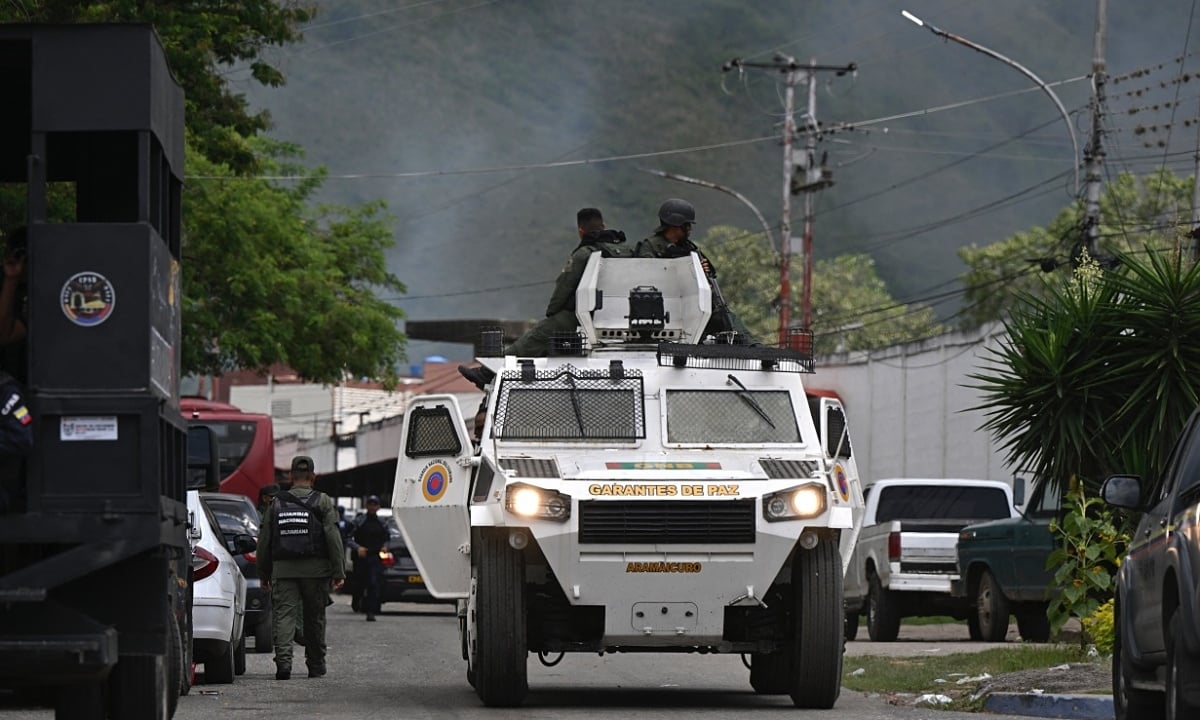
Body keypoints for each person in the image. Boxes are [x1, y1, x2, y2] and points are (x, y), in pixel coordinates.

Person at [459, 207, 631, 389]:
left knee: (537, 336)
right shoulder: (627, 250)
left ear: (581, 231)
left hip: (585, 316)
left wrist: (552, 314)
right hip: (624, 315)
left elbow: (564, 288)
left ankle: (486, 373)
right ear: (604, 226)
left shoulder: (584, 254)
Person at [256, 456, 345, 680]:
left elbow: (264, 541)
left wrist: (264, 573)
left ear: (290, 477)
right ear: (313, 477)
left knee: (284, 616)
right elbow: (333, 537)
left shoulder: (275, 503)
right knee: (314, 617)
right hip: (316, 572)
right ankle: (316, 665)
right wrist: (338, 571)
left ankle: (284, 665)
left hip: (284, 571)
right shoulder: (322, 501)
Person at [635, 199, 757, 344]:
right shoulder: (650, 247)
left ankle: (754, 346)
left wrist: (702, 269)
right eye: (687, 225)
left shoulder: (689, 247)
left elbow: (709, 273)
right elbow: (645, 277)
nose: (690, 229)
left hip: (694, 305)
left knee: (727, 319)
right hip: (663, 307)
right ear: (676, 225)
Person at [346, 495, 390, 621]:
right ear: (367, 506)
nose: (372, 507)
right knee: (359, 583)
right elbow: (348, 538)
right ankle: (356, 600)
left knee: (373, 583)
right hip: (361, 557)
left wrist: (385, 547)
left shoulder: (382, 523)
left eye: (375, 504)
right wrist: (357, 548)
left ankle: (371, 611)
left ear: (378, 507)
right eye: (370, 504)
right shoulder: (359, 521)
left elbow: (387, 538)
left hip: (375, 557)